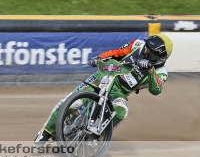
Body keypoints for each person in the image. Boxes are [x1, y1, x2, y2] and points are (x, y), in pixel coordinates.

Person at [34, 33, 173, 147]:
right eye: (147, 48)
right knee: (73, 102)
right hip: (103, 76)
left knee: (121, 111)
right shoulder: (138, 44)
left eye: (152, 53)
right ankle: (45, 132)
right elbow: (117, 52)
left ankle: (94, 136)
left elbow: (157, 90)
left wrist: (150, 70)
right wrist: (99, 58)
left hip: (119, 91)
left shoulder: (161, 72)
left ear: (162, 58)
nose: (147, 53)